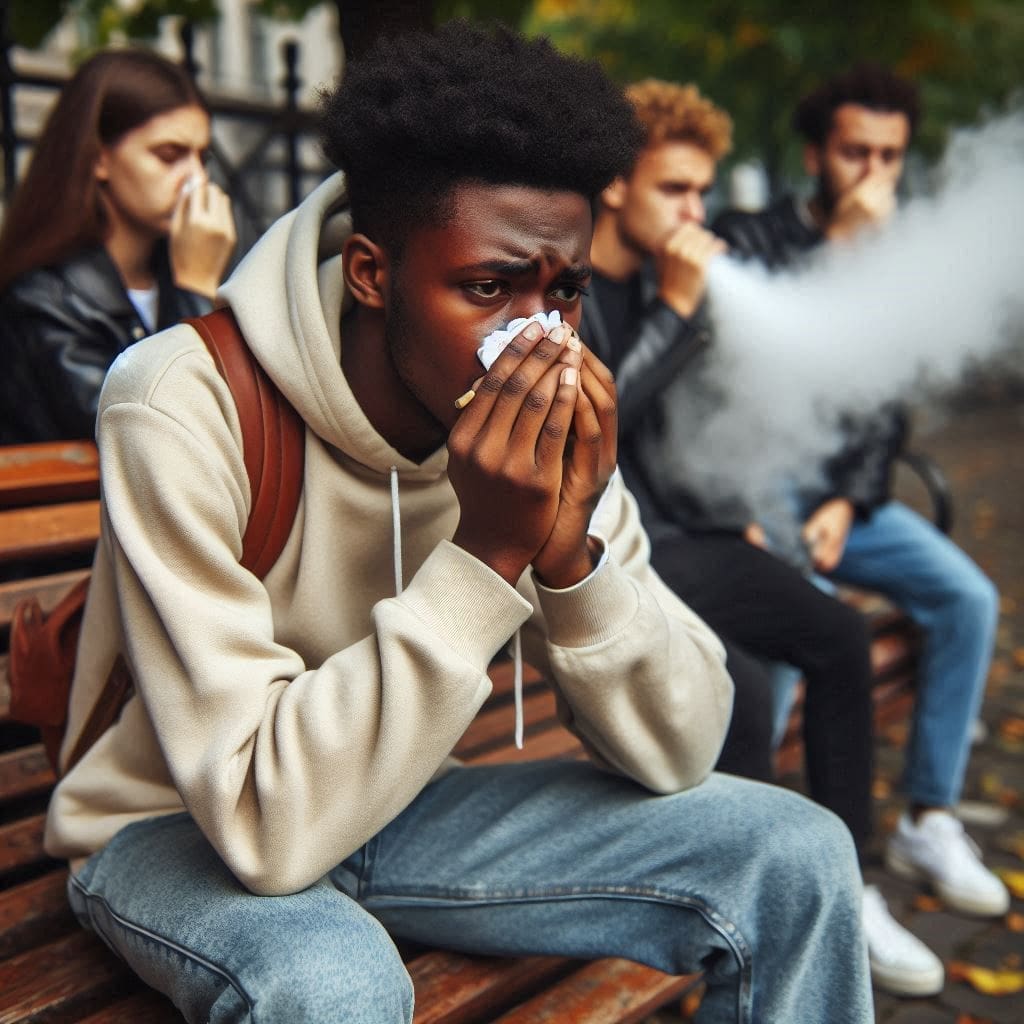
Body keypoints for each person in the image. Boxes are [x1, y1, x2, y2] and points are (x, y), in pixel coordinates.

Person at [42, 24, 872, 1023]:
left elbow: (681, 747)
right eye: (488, 287)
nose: (535, 336)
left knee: (796, 853)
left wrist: (567, 553)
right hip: (182, 822)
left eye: (560, 290)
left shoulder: (539, 417)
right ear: (369, 274)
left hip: (398, 801)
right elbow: (263, 828)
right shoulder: (181, 397)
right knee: (331, 981)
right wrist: (484, 555)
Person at [583, 77, 952, 998]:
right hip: (596, 555)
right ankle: (735, 927)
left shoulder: (666, 280)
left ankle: (849, 884)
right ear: (616, 186)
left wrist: (729, 506)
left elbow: (715, 421)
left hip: (680, 533)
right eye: (676, 190)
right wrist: (674, 312)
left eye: (704, 192)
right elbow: (600, 423)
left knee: (836, 639)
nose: (696, 213)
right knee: (740, 686)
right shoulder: (579, 284)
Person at [712, 62, 1009, 976]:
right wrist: (839, 251)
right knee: (807, 632)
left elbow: (884, 411)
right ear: (816, 154)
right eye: (855, 151)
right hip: (752, 493)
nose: (874, 172)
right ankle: (788, 870)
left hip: (846, 503)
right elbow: (735, 387)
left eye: (889, 154)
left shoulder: (895, 254)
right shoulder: (750, 236)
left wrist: (847, 501)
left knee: (967, 598)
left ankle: (927, 817)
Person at [0, 48, 236, 444]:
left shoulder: (187, 268)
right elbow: (152, 437)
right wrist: (195, 287)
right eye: (169, 155)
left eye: (202, 157)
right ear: (99, 159)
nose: (196, 179)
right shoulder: (41, 300)